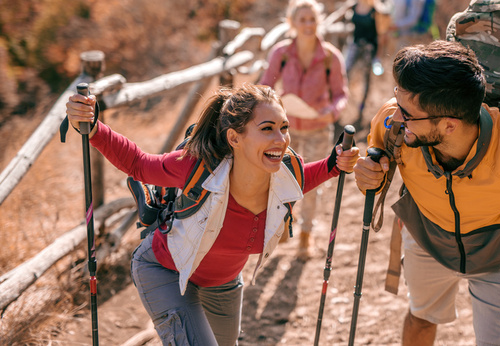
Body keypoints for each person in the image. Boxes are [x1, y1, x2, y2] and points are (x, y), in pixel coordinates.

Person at [65, 84, 359, 346]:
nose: (281, 139)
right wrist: (92, 127)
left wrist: (335, 163)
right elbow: (139, 164)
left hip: (224, 284)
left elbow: (307, 177)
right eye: (267, 128)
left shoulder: (285, 174)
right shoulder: (198, 167)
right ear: (235, 137)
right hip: (166, 271)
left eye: (284, 127)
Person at [353, 41, 500, 346]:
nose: (396, 117)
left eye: (406, 113)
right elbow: (375, 172)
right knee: (421, 318)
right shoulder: (394, 124)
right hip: (428, 238)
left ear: (449, 126)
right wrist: (367, 177)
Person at [259, 0, 349, 259]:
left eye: (312, 19)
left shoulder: (331, 57)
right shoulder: (281, 54)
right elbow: (265, 86)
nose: (308, 24)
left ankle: (306, 236)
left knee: (310, 183)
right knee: (279, 179)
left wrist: (331, 113)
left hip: (319, 130)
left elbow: (341, 94)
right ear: (292, 22)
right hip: (283, 131)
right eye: (302, 19)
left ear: (319, 21)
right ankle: (286, 225)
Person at [341, 0, 389, 125]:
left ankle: (362, 110)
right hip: (354, 45)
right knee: (345, 73)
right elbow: (337, 16)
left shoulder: (376, 10)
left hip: (369, 49)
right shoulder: (353, 5)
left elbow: (381, 36)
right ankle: (341, 105)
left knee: (366, 79)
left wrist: (378, 56)